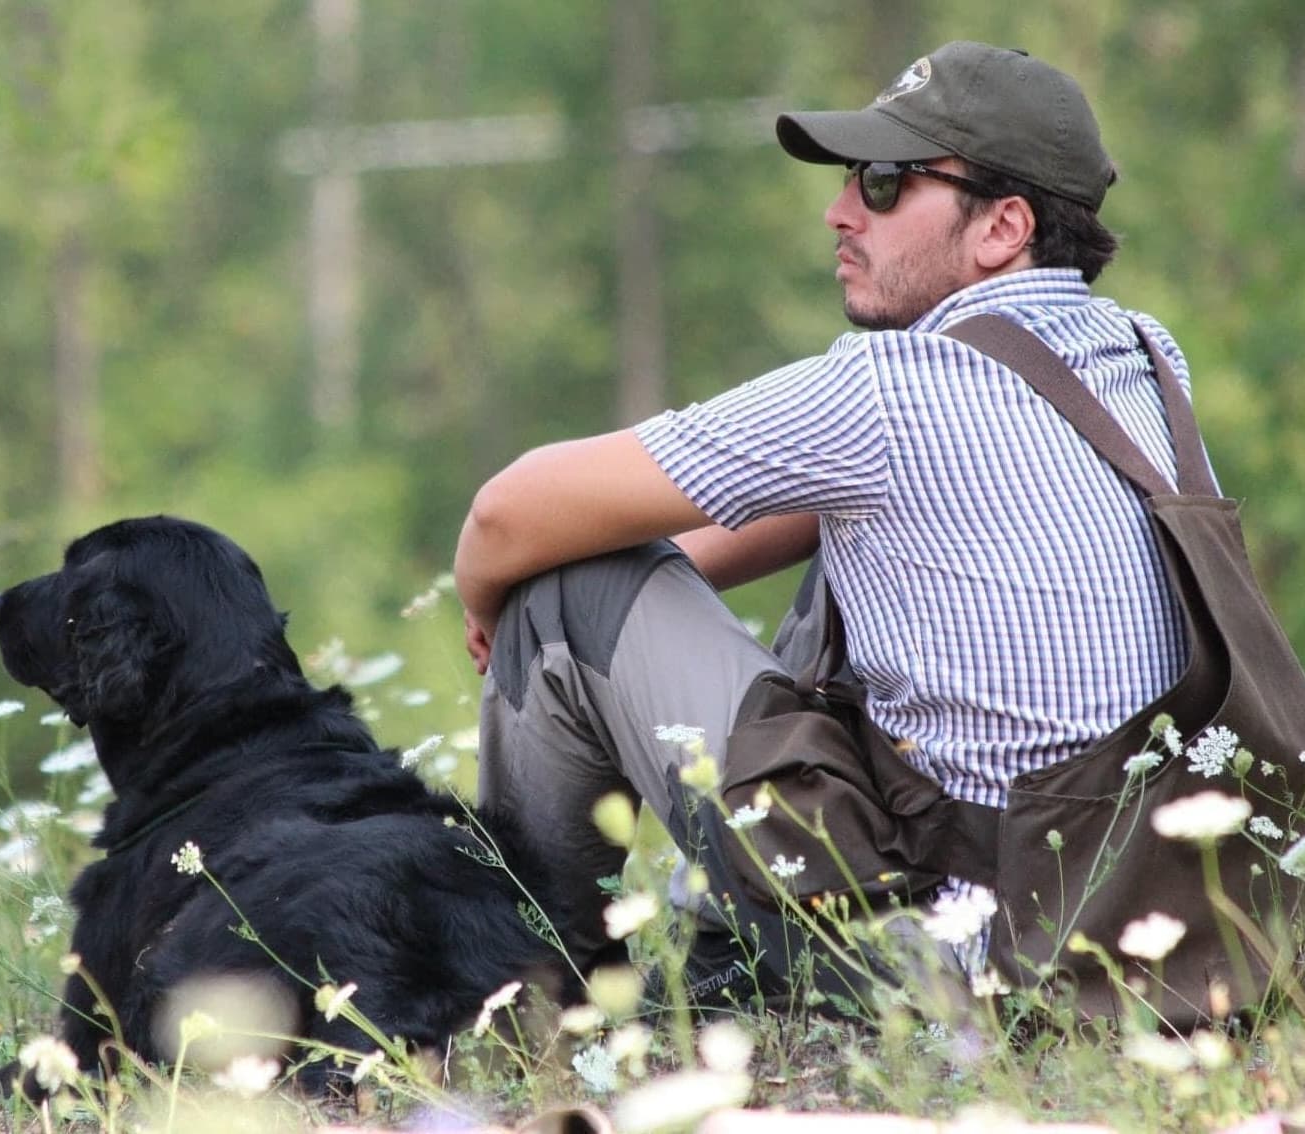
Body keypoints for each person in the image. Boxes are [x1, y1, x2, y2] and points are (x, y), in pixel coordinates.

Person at [453, 41, 1205, 1008]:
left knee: (560, 596)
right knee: (819, 553)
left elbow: (505, 511)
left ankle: (532, 1006)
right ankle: (719, 964)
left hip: (946, 956)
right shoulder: (1144, 359)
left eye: (887, 184)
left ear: (1004, 226)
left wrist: (500, 599)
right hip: (1143, 923)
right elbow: (814, 514)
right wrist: (626, 583)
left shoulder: (893, 390)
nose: (841, 211)